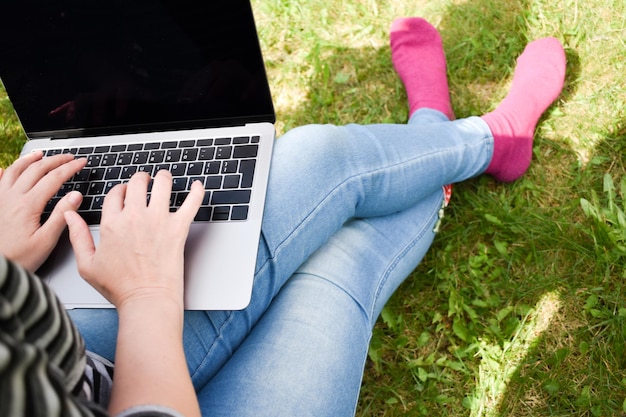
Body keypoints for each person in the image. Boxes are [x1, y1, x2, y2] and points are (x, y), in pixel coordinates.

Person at [0, 17, 566, 417]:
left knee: (319, 156)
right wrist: (148, 295)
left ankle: (458, 134)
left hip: (72, 360)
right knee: (338, 261)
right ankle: (476, 135)